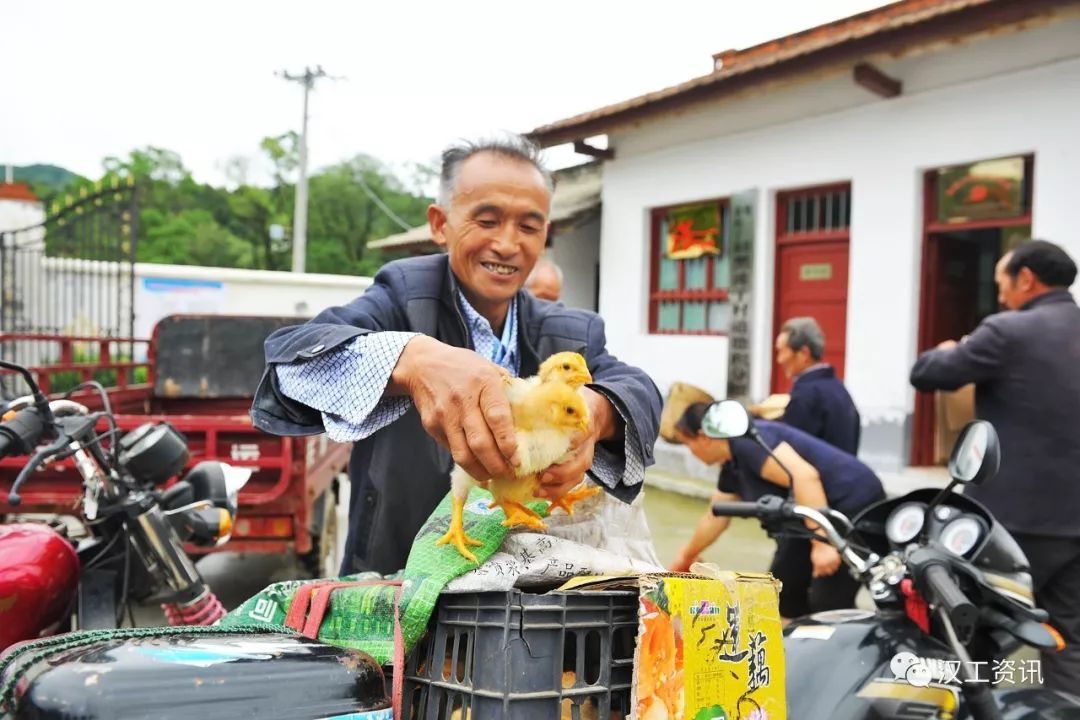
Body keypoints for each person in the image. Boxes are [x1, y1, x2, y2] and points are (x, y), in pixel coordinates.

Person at [250, 134, 662, 576]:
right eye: (487, 220)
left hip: (515, 594)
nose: (507, 244)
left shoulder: (571, 333)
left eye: (528, 226)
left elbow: (641, 392)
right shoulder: (400, 298)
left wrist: (594, 418)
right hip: (394, 578)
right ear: (440, 223)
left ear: (546, 233)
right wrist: (411, 359)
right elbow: (289, 368)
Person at [910, 239, 1080, 691]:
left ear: (1026, 278)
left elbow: (926, 374)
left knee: (977, 631)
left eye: (1002, 282)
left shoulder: (1006, 332)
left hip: (1016, 520)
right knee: (1067, 639)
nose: (1000, 294)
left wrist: (951, 348)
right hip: (1075, 521)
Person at [670, 402, 884, 621]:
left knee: (827, 601)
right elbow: (714, 517)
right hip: (810, 517)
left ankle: (848, 645)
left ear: (703, 437)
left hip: (853, 504)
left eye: (688, 445)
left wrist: (822, 546)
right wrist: (685, 558)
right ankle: (800, 642)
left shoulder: (750, 441)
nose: (692, 453)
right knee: (782, 589)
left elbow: (805, 477)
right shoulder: (732, 466)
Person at [773, 317, 860, 454]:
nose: (779, 359)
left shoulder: (806, 396)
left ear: (803, 353)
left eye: (783, 351)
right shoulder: (838, 388)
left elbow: (790, 454)